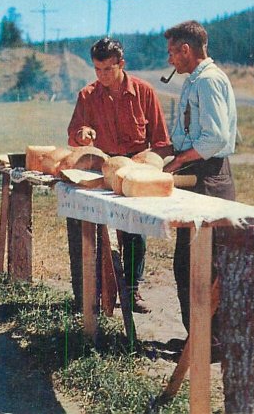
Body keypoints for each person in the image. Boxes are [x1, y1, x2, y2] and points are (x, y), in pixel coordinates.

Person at [66, 37, 171, 313]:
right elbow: (73, 134)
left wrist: (145, 164)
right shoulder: (87, 95)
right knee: (94, 229)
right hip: (102, 168)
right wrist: (82, 134)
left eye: (108, 70)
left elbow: (162, 142)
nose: (102, 76)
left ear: (121, 64)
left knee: (133, 231)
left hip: (135, 168)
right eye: (97, 70)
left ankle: (132, 291)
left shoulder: (145, 93)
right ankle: (97, 293)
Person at [157, 20, 237, 334]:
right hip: (198, 175)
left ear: (186, 50)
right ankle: (199, 342)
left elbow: (214, 139)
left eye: (171, 53)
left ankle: (208, 344)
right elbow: (192, 135)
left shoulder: (208, 81)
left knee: (203, 264)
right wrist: (167, 148)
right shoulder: (194, 81)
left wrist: (177, 162)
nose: (169, 60)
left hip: (210, 179)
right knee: (188, 264)